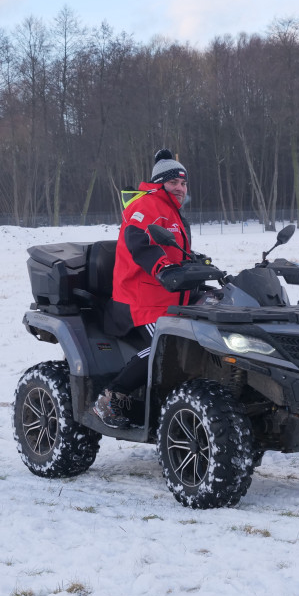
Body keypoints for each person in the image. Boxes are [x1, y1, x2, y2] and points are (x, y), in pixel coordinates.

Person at [93, 148, 192, 428]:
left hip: (169, 299)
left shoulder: (173, 213)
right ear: (160, 182)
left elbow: (175, 253)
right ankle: (110, 400)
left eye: (183, 183)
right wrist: (161, 267)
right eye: (174, 182)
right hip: (140, 302)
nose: (180, 188)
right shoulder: (144, 206)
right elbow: (139, 242)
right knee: (166, 346)